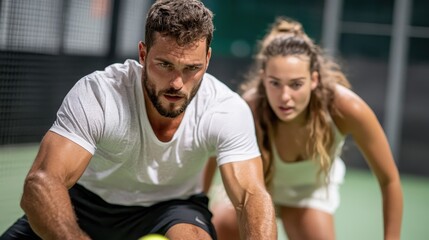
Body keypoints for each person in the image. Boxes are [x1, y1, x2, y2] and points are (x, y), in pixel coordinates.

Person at [0, 1, 277, 239]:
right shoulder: (100, 93)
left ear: (207, 59)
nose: (177, 83)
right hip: (87, 204)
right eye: (165, 65)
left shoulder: (225, 107)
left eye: (192, 68)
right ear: (143, 54)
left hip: (174, 207)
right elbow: (42, 182)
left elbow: (250, 196)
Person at [205, 16, 403, 240]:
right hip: (259, 190)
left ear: (314, 79)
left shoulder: (347, 108)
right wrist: (197, 210)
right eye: (275, 83)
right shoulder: (248, 106)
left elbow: (389, 180)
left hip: (310, 195)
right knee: (221, 225)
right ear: (263, 79)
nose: (285, 97)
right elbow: (213, 156)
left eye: (296, 84)